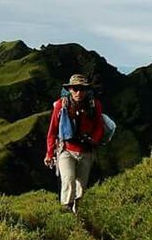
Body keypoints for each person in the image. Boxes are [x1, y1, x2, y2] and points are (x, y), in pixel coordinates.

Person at [44, 74, 106, 213]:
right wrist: (49, 153)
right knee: (68, 179)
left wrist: (94, 140)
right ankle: (66, 209)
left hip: (86, 149)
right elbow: (53, 130)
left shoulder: (94, 105)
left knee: (81, 186)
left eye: (82, 89)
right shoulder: (61, 105)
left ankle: (78, 213)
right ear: (70, 89)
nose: (79, 92)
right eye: (75, 89)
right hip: (66, 149)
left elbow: (99, 126)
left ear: (86, 90)